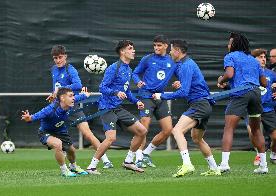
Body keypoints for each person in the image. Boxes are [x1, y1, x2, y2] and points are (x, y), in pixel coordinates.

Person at [153, 40, 220, 177]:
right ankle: (214, 168)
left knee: (177, 130)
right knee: (197, 139)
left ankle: (187, 164)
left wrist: (162, 96)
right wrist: (181, 84)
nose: (170, 52)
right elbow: (190, 86)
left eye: (171, 50)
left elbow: (184, 92)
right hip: (203, 104)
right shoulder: (187, 64)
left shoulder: (185, 65)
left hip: (199, 104)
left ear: (178, 51)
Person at [86, 40, 147, 174]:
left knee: (142, 131)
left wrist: (136, 101)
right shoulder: (114, 67)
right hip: (107, 108)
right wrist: (115, 92)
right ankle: (91, 166)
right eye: (130, 48)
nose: (133, 51)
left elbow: (126, 91)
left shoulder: (128, 69)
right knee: (111, 138)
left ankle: (128, 161)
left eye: (133, 48)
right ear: (122, 51)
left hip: (118, 108)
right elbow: (102, 87)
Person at [46, 45, 113, 169]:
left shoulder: (70, 69)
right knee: (55, 134)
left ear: (65, 56)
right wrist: (54, 94)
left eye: (60, 57)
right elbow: (56, 88)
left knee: (87, 134)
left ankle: (105, 160)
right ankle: (67, 161)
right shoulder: (54, 70)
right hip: (59, 108)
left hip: (72, 106)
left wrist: (60, 90)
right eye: (55, 58)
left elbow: (78, 85)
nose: (58, 60)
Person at [217, 32, 268, 174]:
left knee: (229, 128)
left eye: (229, 42)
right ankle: (263, 166)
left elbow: (230, 74)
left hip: (241, 94)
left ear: (234, 44)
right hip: (256, 94)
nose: (228, 45)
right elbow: (264, 83)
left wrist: (221, 80)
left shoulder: (230, 56)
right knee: (256, 130)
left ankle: (224, 164)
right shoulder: (253, 60)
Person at [21, 87, 90, 177]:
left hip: (61, 131)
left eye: (73, 95)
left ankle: (73, 166)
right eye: (70, 96)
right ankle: (64, 170)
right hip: (46, 132)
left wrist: (85, 95)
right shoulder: (50, 109)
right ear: (62, 98)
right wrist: (28, 118)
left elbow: (79, 97)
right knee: (58, 144)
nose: (73, 98)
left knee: (71, 150)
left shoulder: (70, 102)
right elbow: (34, 117)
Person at [132, 35, 177, 168]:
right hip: (146, 96)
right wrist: (138, 81)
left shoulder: (172, 61)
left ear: (166, 46)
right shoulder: (148, 59)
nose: (156, 48)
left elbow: (179, 76)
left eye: (159, 45)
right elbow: (135, 73)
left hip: (160, 97)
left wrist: (179, 82)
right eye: (155, 45)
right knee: (143, 128)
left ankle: (146, 153)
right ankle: (138, 157)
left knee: (168, 130)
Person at [247, 49, 276, 165]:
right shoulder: (248, 73)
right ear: (253, 60)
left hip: (268, 109)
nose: (263, 59)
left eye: (264, 57)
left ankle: (273, 155)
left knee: (275, 137)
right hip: (253, 108)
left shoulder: (271, 74)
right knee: (253, 132)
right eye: (260, 57)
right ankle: (259, 155)